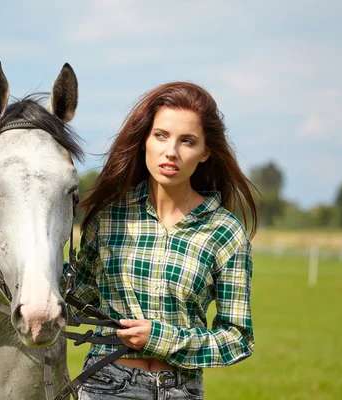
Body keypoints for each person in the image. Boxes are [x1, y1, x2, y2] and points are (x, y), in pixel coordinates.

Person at [69, 81, 258, 399]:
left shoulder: (225, 232)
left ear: (205, 152)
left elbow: (237, 338)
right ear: (145, 140)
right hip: (108, 384)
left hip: (181, 390)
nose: (171, 151)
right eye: (161, 136)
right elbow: (81, 295)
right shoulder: (108, 217)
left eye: (187, 141)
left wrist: (161, 338)